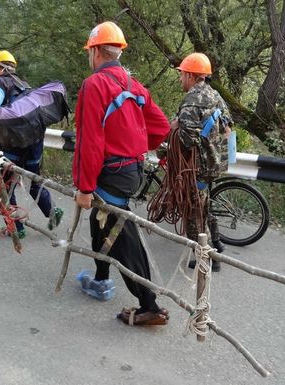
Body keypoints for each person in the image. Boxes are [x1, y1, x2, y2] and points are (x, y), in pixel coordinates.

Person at [73, 22, 171, 326]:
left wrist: (85, 187)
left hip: (110, 174)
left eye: (90, 51)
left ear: (96, 51)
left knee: (122, 237)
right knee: (100, 224)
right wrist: (138, 145)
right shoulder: (133, 85)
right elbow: (160, 127)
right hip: (131, 169)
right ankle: (101, 278)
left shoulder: (95, 85)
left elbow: (90, 141)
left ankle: (150, 305)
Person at [0, 50, 63, 239]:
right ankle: (52, 212)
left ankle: (16, 227)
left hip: (11, 146)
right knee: (35, 180)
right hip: (34, 143)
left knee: (4, 184)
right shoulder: (25, 86)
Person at [173, 52, 233, 272]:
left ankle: (206, 259)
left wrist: (176, 128)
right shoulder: (215, 95)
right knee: (204, 205)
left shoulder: (191, 99)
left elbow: (187, 140)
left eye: (182, 74)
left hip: (196, 167)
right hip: (214, 163)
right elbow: (228, 123)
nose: (181, 79)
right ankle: (216, 243)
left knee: (193, 213)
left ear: (190, 75)